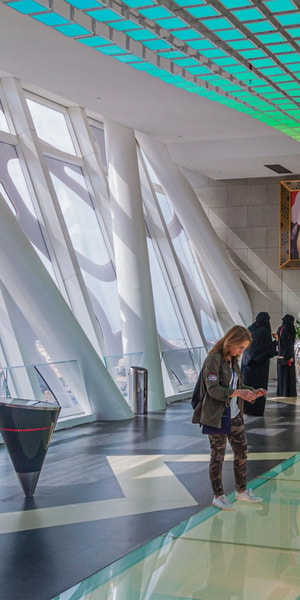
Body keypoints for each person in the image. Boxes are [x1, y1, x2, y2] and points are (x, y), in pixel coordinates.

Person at [192, 325, 265, 511]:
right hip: (216, 416)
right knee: (218, 456)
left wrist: (251, 391)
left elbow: (237, 385)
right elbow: (213, 389)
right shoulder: (213, 360)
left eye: (243, 348)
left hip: (233, 414)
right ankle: (218, 495)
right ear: (231, 342)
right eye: (240, 347)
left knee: (242, 452)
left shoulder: (233, 361)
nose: (242, 351)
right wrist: (238, 392)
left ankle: (241, 491)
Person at [241, 312, 277, 416]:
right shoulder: (264, 332)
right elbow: (266, 351)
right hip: (258, 369)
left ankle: (246, 409)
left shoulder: (250, 328)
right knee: (258, 390)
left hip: (247, 366)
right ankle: (256, 410)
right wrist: (276, 342)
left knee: (247, 388)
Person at [276, 314, 297, 397]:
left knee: (282, 375)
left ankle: (281, 391)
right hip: (287, 356)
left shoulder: (280, 329)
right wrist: (290, 356)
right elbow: (288, 344)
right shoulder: (288, 330)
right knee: (288, 375)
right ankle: (288, 392)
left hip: (280, 355)